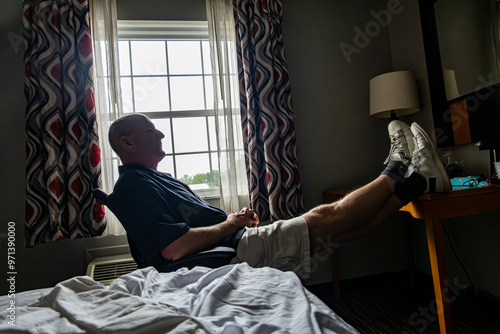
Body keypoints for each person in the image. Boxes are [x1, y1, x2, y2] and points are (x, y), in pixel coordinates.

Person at [106, 114, 451, 279]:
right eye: (151, 130)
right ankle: (399, 164)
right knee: (323, 217)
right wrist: (230, 224)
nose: (161, 133)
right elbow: (173, 248)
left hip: (233, 242)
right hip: (228, 254)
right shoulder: (133, 187)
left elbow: (191, 229)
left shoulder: (156, 180)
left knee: (344, 230)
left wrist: (235, 222)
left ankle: (420, 182)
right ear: (128, 143)